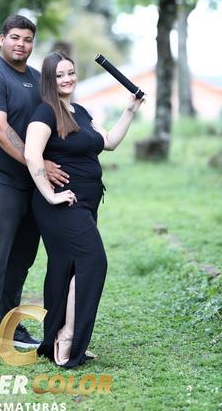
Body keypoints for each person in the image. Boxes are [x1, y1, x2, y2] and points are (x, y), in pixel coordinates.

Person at [24, 50, 145, 367]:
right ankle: (67, 336)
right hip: (63, 204)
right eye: (59, 75)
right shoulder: (45, 112)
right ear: (49, 80)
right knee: (93, 261)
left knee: (68, 267)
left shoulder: (79, 111)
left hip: (86, 203)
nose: (67, 79)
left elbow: (109, 142)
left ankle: (58, 339)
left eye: (70, 72)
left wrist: (129, 110)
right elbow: (32, 155)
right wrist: (50, 195)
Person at [0, 15, 69, 358]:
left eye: (27, 39)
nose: (21, 44)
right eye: (14, 37)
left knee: (21, 258)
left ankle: (8, 326)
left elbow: (55, 120)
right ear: (2, 39)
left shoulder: (38, 80)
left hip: (29, 181)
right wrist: (38, 163)